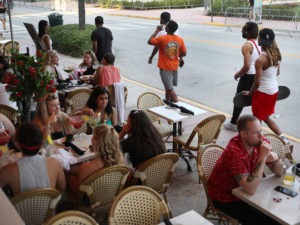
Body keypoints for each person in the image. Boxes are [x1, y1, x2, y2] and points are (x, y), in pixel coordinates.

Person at [207, 115, 282, 225]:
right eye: (255, 132)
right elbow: (250, 188)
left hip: (248, 194)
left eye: (261, 130)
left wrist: (275, 156)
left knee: (277, 217)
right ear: (243, 134)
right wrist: (262, 157)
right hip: (225, 197)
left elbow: (280, 171)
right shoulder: (233, 152)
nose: (261, 135)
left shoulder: (257, 141)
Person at [242, 28, 287, 143]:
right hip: (274, 91)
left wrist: (250, 92)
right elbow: (277, 72)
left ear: (259, 39)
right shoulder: (276, 54)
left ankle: (259, 145)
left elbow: (257, 82)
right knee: (265, 118)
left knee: (257, 121)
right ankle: (284, 140)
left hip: (263, 93)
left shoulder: (260, 60)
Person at [0, 122, 66, 196]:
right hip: (48, 206)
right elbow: (62, 188)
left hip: (18, 207)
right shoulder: (55, 163)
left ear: (17, 145)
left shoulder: (8, 170)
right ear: (41, 144)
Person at [66, 124, 124, 199]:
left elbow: (78, 191)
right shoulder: (120, 160)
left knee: (68, 174)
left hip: (89, 201)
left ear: (97, 141)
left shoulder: (86, 167)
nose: (91, 139)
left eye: (93, 136)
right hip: (110, 195)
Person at [224, 22, 260, 132]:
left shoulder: (246, 46)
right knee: (254, 98)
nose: (242, 32)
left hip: (248, 76)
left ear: (247, 32)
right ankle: (257, 125)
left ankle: (234, 123)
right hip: (258, 75)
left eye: (244, 30)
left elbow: (247, 66)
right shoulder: (259, 43)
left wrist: (238, 74)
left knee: (239, 98)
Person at [148, 20, 187, 102]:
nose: (165, 27)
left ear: (168, 29)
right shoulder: (179, 39)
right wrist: (180, 58)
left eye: (167, 26)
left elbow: (149, 41)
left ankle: (178, 104)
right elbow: (184, 52)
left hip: (165, 67)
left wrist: (156, 31)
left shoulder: (162, 38)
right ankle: (168, 102)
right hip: (174, 67)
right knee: (167, 87)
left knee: (170, 89)